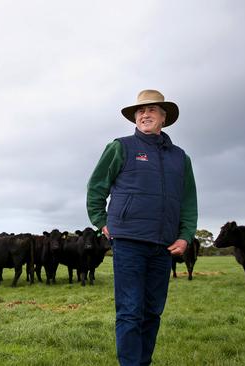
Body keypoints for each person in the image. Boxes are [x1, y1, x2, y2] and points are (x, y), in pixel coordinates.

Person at [86, 89, 198, 366]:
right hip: (129, 241)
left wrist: (185, 236)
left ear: (164, 117)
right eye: (139, 111)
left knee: (152, 312)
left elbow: (188, 201)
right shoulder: (120, 147)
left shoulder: (180, 158)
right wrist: (101, 220)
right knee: (130, 311)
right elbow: (96, 186)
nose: (144, 114)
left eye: (151, 110)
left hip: (164, 245)